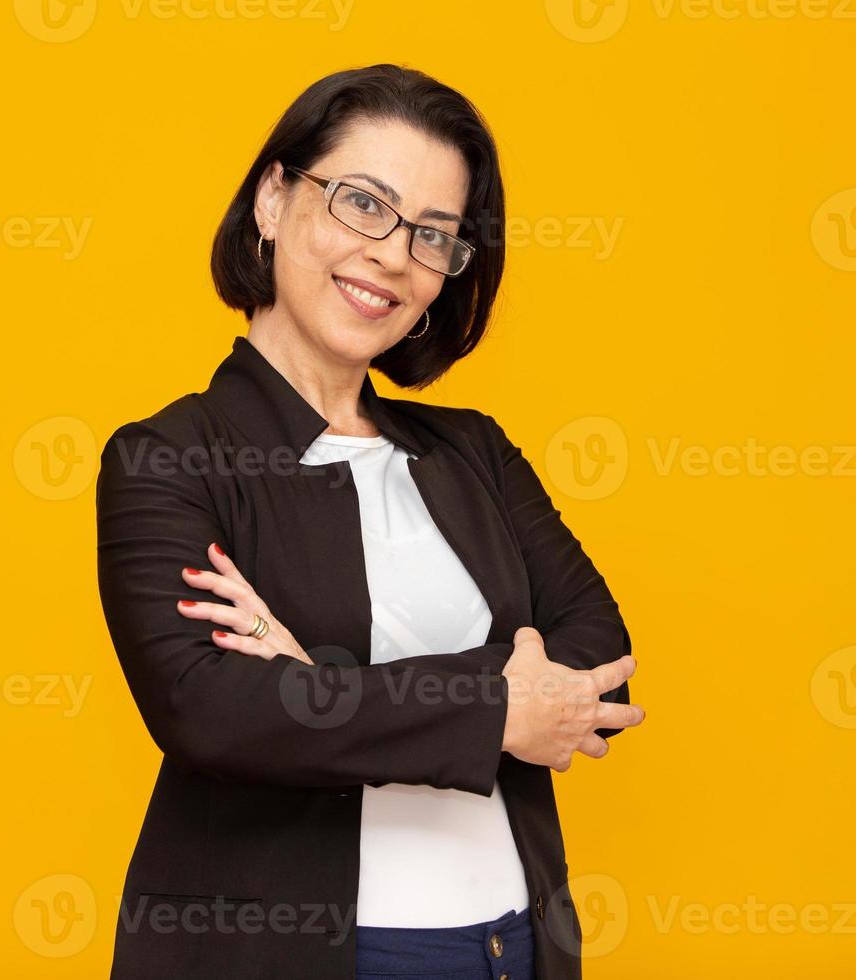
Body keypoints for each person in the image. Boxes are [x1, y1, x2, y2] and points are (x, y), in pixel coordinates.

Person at [96, 63, 644, 980]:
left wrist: (319, 683)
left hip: (512, 946)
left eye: (435, 235)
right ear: (273, 200)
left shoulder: (474, 450)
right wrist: (500, 702)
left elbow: (596, 653)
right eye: (363, 204)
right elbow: (213, 713)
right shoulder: (169, 456)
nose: (394, 254)